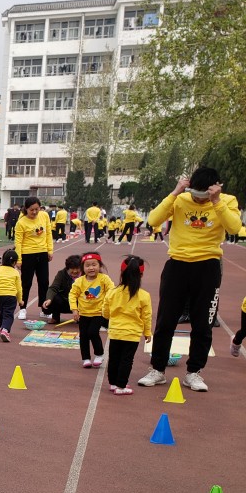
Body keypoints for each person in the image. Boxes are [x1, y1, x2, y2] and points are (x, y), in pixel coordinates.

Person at [138, 168, 240, 392]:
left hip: (208, 267)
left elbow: (234, 228)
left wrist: (216, 201)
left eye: (203, 196)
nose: (198, 200)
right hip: (177, 265)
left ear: (215, 188)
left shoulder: (227, 201)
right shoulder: (180, 199)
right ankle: (157, 369)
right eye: (195, 194)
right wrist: (175, 192)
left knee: (203, 323)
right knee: (166, 320)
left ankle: (194, 372)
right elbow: (153, 220)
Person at [103, 256, 152, 395]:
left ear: (122, 272)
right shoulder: (144, 295)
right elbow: (146, 316)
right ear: (141, 275)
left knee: (114, 358)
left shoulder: (112, 292)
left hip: (115, 331)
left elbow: (105, 312)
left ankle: (113, 383)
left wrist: (112, 318)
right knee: (126, 360)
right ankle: (121, 386)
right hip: (132, 334)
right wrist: (147, 332)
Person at [69, 252, 114, 368]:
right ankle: (86, 358)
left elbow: (111, 290)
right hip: (83, 313)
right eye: (87, 265)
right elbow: (72, 295)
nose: (91, 268)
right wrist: (74, 309)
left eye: (94, 265)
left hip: (99, 313)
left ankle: (99, 354)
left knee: (92, 332)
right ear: (83, 268)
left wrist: (107, 303)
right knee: (83, 336)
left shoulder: (104, 279)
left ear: (100, 265)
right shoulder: (79, 281)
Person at [14, 196, 54, 320]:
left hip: (42, 253)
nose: (35, 212)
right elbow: (18, 242)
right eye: (32, 210)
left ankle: (44, 309)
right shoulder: (21, 222)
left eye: (37, 209)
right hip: (27, 254)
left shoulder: (44, 216)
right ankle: (22, 308)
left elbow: (48, 233)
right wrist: (19, 259)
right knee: (26, 283)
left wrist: (50, 250)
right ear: (26, 209)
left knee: (44, 282)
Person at [41, 254, 82, 323]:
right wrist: (49, 299)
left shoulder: (85, 275)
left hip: (79, 302)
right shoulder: (62, 273)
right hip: (65, 301)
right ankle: (55, 318)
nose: (75, 271)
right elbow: (53, 288)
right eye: (72, 268)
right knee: (53, 299)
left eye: (77, 268)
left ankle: (81, 318)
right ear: (68, 268)